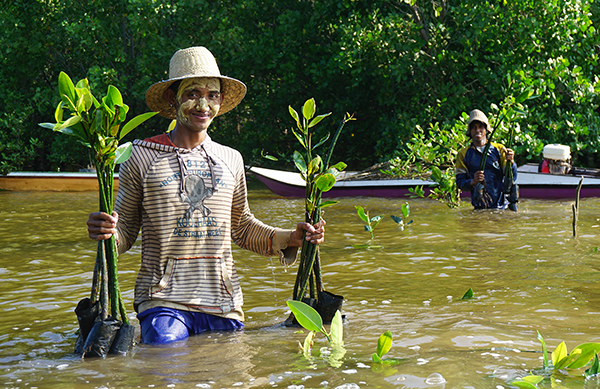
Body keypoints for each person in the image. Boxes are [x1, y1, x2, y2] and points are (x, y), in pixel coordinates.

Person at [86, 46, 325, 344]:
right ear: (173, 99)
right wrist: (106, 232)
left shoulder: (231, 159)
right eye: (192, 94)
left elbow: (240, 227)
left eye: (212, 95)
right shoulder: (140, 155)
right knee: (166, 358)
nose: (203, 104)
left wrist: (292, 237)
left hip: (223, 301)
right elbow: (125, 232)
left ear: (221, 101)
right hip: (163, 301)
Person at [455, 109, 517, 210]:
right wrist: (473, 181)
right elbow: (460, 183)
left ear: (486, 130)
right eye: (474, 128)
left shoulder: (499, 149)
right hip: (479, 208)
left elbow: (512, 177)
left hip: (501, 207)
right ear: (470, 131)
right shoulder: (463, 154)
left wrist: (512, 162)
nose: (477, 130)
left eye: (480, 127)